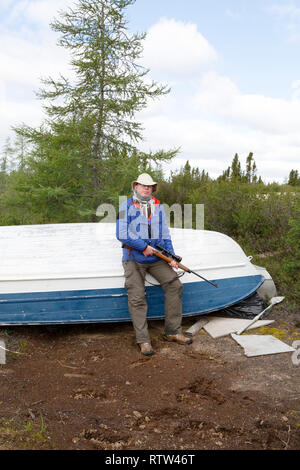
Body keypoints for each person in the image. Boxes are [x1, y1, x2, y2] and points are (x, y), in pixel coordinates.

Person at [116, 173, 192, 356]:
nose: (146, 188)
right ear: (135, 187)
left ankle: (173, 332)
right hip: (133, 258)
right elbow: (121, 233)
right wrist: (143, 247)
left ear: (153, 189)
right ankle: (143, 341)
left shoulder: (158, 207)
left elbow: (165, 234)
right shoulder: (125, 206)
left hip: (156, 258)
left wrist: (171, 256)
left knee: (175, 285)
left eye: (149, 186)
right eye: (143, 185)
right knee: (137, 297)